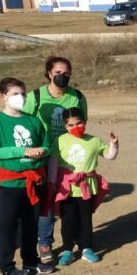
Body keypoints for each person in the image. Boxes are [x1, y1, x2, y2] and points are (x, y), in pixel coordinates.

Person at [0, 77, 54, 275]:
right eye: (15, 94)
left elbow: (46, 143)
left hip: (34, 181)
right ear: (3, 97)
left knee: (31, 224)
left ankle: (31, 261)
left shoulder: (32, 120)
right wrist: (22, 150)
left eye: (22, 93)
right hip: (11, 183)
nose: (20, 97)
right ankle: (7, 266)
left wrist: (42, 151)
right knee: (7, 225)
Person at [23, 56, 87, 263]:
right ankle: (45, 242)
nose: (63, 76)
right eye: (58, 72)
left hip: (69, 157)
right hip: (44, 157)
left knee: (71, 200)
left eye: (66, 72)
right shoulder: (36, 96)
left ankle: (73, 240)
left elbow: (82, 123)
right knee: (47, 202)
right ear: (49, 73)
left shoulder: (77, 96)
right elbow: (25, 124)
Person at [53, 108, 118, 265]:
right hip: (67, 188)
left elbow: (109, 156)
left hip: (87, 188)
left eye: (79, 123)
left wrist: (114, 145)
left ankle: (86, 248)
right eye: (70, 125)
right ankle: (68, 249)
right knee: (67, 220)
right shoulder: (60, 140)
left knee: (86, 219)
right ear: (64, 125)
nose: (75, 127)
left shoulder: (94, 141)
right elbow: (53, 163)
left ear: (85, 122)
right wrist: (51, 184)